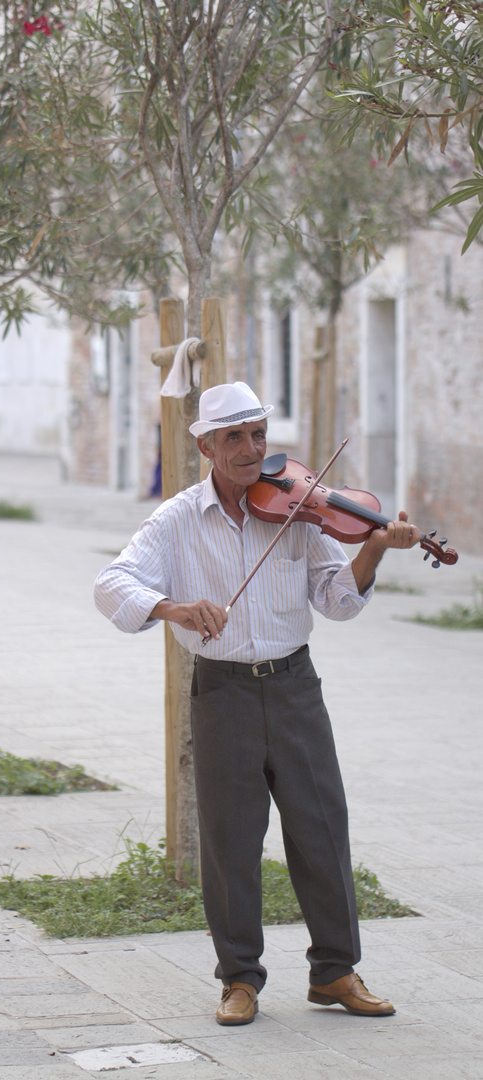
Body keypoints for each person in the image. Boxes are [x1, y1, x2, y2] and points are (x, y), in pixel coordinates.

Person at [94, 381, 422, 1027]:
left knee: (322, 830)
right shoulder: (177, 518)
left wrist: (374, 547)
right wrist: (172, 608)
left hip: (295, 685)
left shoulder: (300, 513)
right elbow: (112, 583)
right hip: (222, 692)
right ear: (205, 445)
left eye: (259, 434)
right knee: (230, 842)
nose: (252, 450)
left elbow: (338, 602)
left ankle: (334, 972)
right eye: (235, 437)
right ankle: (238, 980)